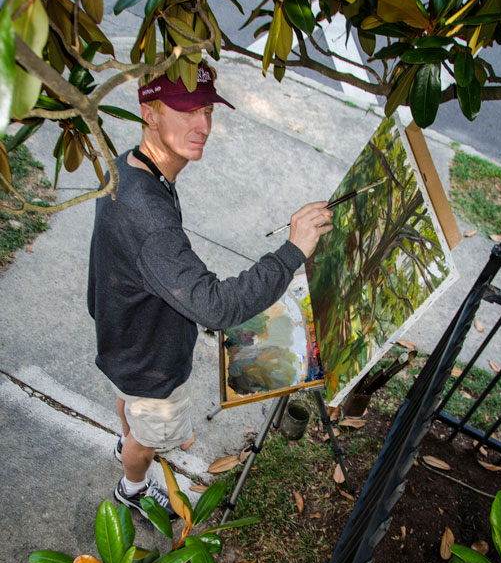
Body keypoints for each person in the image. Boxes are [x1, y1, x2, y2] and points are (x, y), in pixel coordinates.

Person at [87, 60, 333, 519]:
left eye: (207, 109)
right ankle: (132, 485)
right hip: (152, 364)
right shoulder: (151, 221)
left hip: (125, 340)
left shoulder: (129, 165)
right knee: (149, 438)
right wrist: (292, 251)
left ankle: (129, 441)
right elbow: (216, 307)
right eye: (185, 110)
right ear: (150, 111)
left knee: (130, 403)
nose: (203, 125)